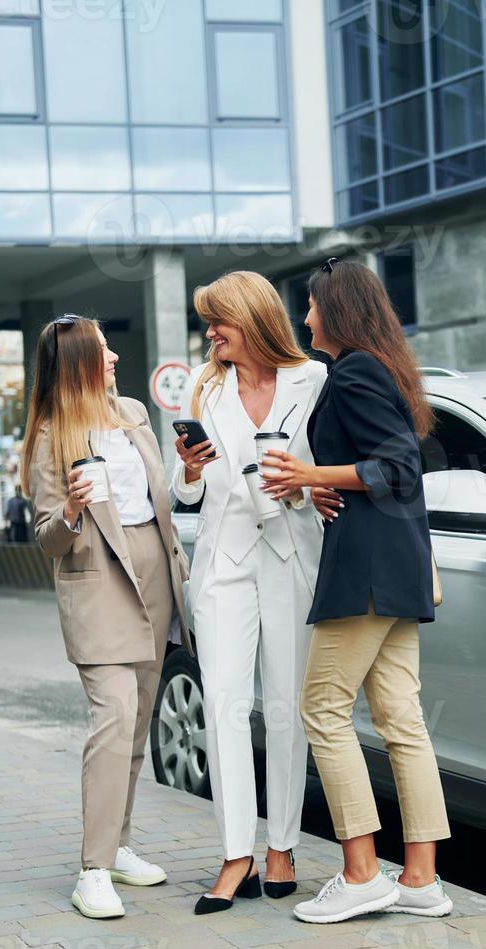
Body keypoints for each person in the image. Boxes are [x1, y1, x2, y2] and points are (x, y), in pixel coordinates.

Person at [259, 259, 453, 924]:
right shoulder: (379, 365)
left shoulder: (356, 370)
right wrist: (321, 485)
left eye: (311, 306)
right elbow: (383, 468)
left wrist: (306, 472)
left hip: (369, 570)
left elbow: (397, 468)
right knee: (400, 719)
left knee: (321, 708)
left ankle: (362, 873)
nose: (304, 318)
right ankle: (420, 879)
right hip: (396, 564)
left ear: (335, 311)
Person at [21, 314, 192, 920]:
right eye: (102, 350)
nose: (115, 357)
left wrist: (189, 474)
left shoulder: (135, 415)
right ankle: (92, 869)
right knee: (114, 717)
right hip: (99, 586)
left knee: (139, 721)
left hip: (156, 576)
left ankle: (118, 845)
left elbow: (160, 499)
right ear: (77, 363)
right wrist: (68, 508)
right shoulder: (49, 436)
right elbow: (47, 539)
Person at [172, 271, 327, 914]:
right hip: (224, 559)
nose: (211, 333)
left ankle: (283, 846)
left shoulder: (312, 380)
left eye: (219, 321)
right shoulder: (205, 386)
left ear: (253, 319)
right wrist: (188, 470)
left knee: (289, 706)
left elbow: (327, 469)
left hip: (291, 551)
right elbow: (184, 491)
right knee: (228, 709)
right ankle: (237, 852)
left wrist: (307, 484)